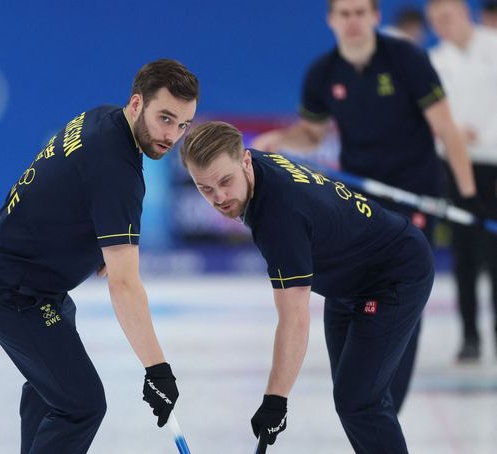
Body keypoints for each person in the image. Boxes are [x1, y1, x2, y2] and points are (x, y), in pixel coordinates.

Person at [251, 0, 477, 413]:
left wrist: (466, 195)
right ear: (331, 21)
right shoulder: (323, 73)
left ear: (375, 17)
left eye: (360, 12)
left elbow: (445, 127)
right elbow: (312, 134)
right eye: (344, 13)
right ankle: (362, 398)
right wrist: (281, 139)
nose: (353, 21)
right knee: (349, 293)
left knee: (403, 299)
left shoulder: (406, 58)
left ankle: (388, 406)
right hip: (361, 205)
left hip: (416, 196)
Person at [0, 59, 198, 454]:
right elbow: (124, 283)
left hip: (27, 281)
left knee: (52, 389)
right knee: (81, 405)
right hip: (11, 291)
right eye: (165, 118)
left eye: (183, 125)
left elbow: (61, 191)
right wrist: (157, 369)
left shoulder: (103, 118)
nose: (172, 135)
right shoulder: (117, 171)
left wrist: (94, 245)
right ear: (137, 104)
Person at [181, 120, 435, 453]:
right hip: (349, 282)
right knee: (358, 397)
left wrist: (275, 400)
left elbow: (295, 319)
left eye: (225, 182)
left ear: (244, 161)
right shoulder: (254, 168)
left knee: (359, 402)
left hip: (393, 275)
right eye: (205, 188)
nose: (219, 197)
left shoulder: (278, 218)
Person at [427, 0, 497, 361]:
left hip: (495, 165)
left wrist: (481, 133)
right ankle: (470, 336)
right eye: (434, 20)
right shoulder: (435, 61)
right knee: (465, 253)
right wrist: (453, 135)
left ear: (463, 12)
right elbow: (430, 118)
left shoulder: (493, 45)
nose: (441, 24)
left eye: (447, 16)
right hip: (456, 166)